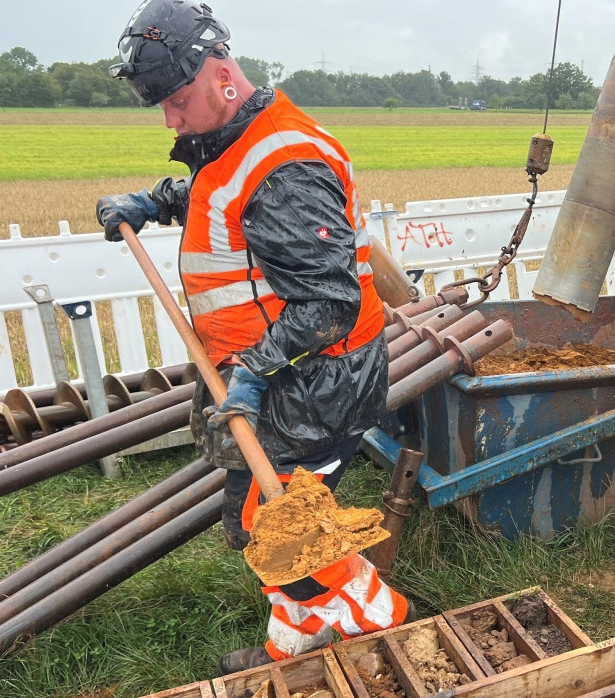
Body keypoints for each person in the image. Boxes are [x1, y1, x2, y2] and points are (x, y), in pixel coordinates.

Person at [96, 0, 411, 674]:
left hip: (314, 381)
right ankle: (299, 641)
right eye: (162, 106)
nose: (171, 120)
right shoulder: (242, 138)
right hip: (287, 372)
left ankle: (377, 618)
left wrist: (254, 372)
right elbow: (224, 192)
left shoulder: (285, 168)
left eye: (178, 101)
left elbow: (328, 303)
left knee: (271, 525)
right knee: (272, 518)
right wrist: (158, 201)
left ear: (221, 75)